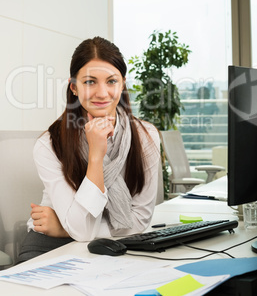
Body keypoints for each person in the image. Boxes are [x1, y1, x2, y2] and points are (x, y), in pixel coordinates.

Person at [17, 37, 160, 263]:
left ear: (122, 83)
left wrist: (65, 228)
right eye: (90, 82)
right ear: (74, 87)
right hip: (50, 245)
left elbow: (139, 221)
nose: (102, 93)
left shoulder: (146, 136)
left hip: (111, 243)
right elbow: (83, 229)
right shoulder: (50, 144)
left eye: (111, 81)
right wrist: (96, 155)